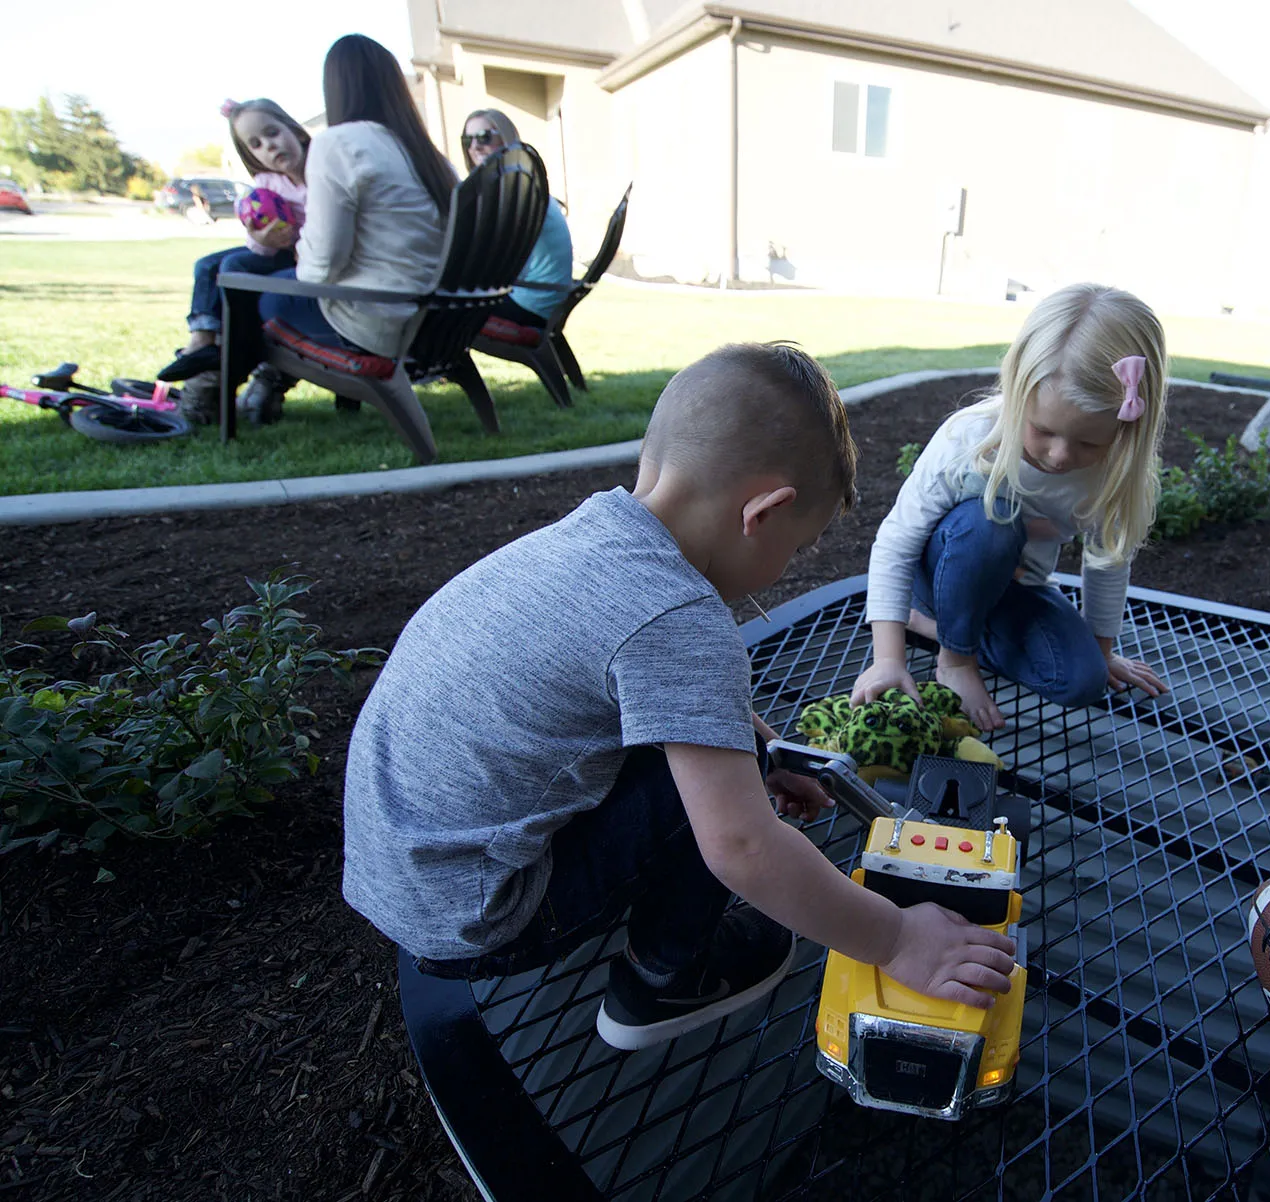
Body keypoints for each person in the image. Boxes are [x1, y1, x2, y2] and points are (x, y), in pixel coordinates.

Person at [342, 342, 1017, 1050]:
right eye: (800, 547)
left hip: (399, 872)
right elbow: (742, 847)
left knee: (718, 757)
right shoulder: (679, 618)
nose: (786, 569)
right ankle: (664, 980)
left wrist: (766, 749)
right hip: (480, 920)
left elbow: (644, 688)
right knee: (712, 805)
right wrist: (899, 936)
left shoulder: (587, 537)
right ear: (763, 512)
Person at [850, 283, 1172, 733]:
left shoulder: (1114, 471)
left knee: (1080, 681)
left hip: (1011, 591)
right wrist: (888, 659)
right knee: (991, 522)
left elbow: (1107, 565)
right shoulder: (968, 440)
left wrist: (1100, 654)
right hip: (943, 573)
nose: (1060, 456)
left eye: (1087, 442)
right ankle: (954, 656)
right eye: (1042, 430)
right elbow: (895, 543)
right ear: (1018, 392)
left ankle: (930, 626)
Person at [197, 34, 457, 425]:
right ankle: (232, 389)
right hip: (436, 321)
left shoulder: (339, 143)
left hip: (378, 325)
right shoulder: (427, 154)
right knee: (241, 273)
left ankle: (213, 396)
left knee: (247, 290)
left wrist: (299, 257)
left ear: (335, 86)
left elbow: (322, 266)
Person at [157, 99, 310, 385]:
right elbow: (262, 248)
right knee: (206, 265)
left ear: (297, 131)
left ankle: (238, 349)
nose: (269, 146)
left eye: (273, 133)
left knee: (234, 264)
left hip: (305, 256)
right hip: (277, 250)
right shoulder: (267, 184)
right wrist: (259, 239)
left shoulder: (321, 175)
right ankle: (201, 342)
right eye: (256, 144)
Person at [459, 108, 573, 329]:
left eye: (484, 137)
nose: (475, 146)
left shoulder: (512, 190)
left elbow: (493, 262)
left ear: (506, 138)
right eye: (467, 140)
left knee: (432, 314)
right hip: (542, 297)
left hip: (530, 304)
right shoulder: (522, 180)